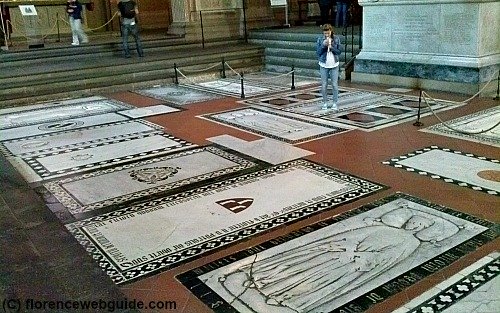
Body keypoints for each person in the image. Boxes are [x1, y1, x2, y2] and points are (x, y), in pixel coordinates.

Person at [316, 24, 341, 111]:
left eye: (328, 33)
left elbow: (339, 52)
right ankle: (325, 102)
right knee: (324, 84)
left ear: (331, 31)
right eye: (325, 33)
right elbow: (318, 52)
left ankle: (335, 102)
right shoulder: (320, 39)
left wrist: (332, 47)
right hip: (324, 64)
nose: (326, 35)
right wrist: (323, 45)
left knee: (334, 84)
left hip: (334, 64)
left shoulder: (336, 39)